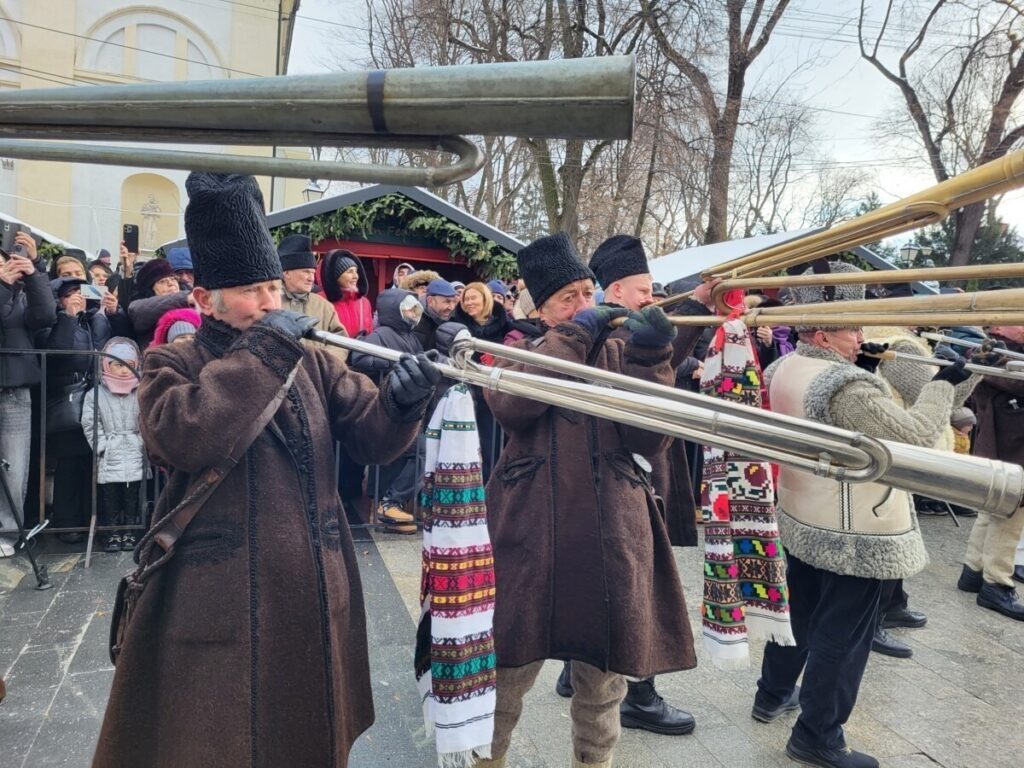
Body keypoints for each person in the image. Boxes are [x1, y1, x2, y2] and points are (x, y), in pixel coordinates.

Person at [92, 172, 441, 768]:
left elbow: (372, 436)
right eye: (252, 291)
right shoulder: (171, 361)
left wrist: (402, 402)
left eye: (273, 287)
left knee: (308, 740)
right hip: (219, 603)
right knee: (217, 746)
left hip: (313, 596)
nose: (271, 303)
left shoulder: (312, 362)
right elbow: (183, 435)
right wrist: (267, 351)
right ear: (206, 299)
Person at [475, 232, 696, 768]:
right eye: (566, 299)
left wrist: (653, 357)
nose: (581, 305)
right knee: (504, 674)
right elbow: (511, 403)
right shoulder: (521, 347)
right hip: (531, 537)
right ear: (542, 309)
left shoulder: (623, 352)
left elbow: (651, 441)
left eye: (585, 293)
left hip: (610, 535)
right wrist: (576, 334)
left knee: (603, 687)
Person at [753, 262, 967, 768]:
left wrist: (871, 371)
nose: (860, 337)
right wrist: (944, 383)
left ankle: (772, 694)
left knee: (799, 613)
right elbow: (917, 435)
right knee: (843, 636)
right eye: (851, 328)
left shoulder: (785, 366)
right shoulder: (844, 385)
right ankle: (818, 735)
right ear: (822, 334)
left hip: (804, 514)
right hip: (856, 528)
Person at [578, 233, 715, 736]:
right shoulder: (609, 333)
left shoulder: (616, 328)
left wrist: (700, 305)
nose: (652, 298)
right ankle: (639, 694)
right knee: (639, 586)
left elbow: (663, 362)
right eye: (643, 290)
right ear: (616, 290)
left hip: (630, 473)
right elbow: (656, 366)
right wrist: (692, 313)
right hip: (631, 476)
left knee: (613, 581)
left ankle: (579, 669)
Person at [36, 276, 113, 543]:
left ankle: (92, 520)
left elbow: (109, 349)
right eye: (70, 294)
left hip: (97, 399)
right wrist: (68, 317)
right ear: (59, 299)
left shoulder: (95, 320)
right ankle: (67, 522)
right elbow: (57, 353)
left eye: (82, 292)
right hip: (67, 401)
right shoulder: (51, 322)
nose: (78, 298)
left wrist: (111, 312)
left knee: (92, 463)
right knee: (69, 463)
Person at [956, 323, 1024, 621]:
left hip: (1003, 443)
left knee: (992, 511)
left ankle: (974, 570)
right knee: (1010, 514)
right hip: (1010, 446)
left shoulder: (1000, 350)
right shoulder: (994, 352)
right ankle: (997, 582)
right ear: (998, 324)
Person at [349, 288, 427, 535]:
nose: (414, 314)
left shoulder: (411, 336)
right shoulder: (379, 335)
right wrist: (393, 363)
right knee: (419, 452)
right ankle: (390, 503)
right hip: (387, 405)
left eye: (415, 309)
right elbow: (358, 358)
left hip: (404, 404)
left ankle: (388, 505)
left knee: (402, 455)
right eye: (409, 309)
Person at [0, 232, 56, 557]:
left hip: (16, 388)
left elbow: (45, 316)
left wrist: (35, 270)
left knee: (15, 464)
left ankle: (7, 532)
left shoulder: (21, 293)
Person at [80, 337, 145, 552]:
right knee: (110, 496)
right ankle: (112, 533)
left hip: (135, 451)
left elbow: (148, 419)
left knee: (133, 495)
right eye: (118, 365)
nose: (125, 370)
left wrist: (143, 443)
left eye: (129, 365)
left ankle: (131, 531)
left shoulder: (141, 392)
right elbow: (90, 423)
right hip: (110, 453)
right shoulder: (95, 394)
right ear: (107, 366)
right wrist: (102, 445)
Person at [277, 234, 350, 362]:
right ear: (287, 273)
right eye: (306, 271)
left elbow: (340, 341)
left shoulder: (324, 306)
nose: (311, 278)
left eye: (312, 272)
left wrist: (323, 363)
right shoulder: (270, 303)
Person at [126, 258, 190, 347]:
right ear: (150, 290)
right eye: (162, 281)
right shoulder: (141, 308)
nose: (170, 283)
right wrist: (187, 297)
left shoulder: (190, 300)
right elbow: (136, 310)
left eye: (173, 279)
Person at [321, 248, 372, 338]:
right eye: (350, 272)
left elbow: (370, 333)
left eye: (356, 271)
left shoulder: (364, 303)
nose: (356, 276)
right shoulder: (321, 301)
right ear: (336, 275)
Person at [413, 278, 458, 352]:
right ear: (430, 301)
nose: (452, 307)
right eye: (447, 302)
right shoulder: (413, 320)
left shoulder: (456, 320)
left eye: (454, 302)